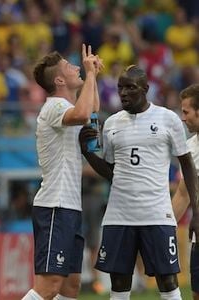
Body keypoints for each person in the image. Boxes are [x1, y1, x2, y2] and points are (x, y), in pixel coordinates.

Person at [79, 65, 199, 300]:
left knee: (167, 281)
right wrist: (88, 153)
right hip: (119, 216)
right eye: (120, 88)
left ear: (145, 89)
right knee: (120, 282)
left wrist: (196, 212)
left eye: (130, 88)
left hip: (156, 215)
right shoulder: (112, 124)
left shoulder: (168, 119)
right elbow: (113, 172)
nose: (123, 93)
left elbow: (187, 165)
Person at [21, 44, 103, 300]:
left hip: (69, 206)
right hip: (54, 204)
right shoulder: (54, 106)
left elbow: (92, 109)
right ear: (59, 80)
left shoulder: (65, 107)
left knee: (71, 286)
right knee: (49, 285)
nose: (78, 67)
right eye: (70, 66)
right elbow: (82, 114)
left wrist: (93, 76)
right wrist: (88, 75)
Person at [172, 83, 199, 300]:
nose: (182, 118)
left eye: (186, 112)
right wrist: (163, 228)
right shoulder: (189, 148)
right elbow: (183, 194)